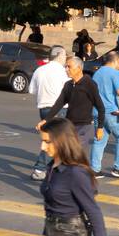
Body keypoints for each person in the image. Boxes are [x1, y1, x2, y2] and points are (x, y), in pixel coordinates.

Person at [42, 56, 106, 155]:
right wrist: (45, 120)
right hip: (69, 126)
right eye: (66, 66)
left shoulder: (89, 84)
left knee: (77, 156)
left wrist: (100, 128)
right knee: (65, 155)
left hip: (84, 127)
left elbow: (100, 107)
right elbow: (58, 104)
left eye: (69, 67)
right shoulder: (68, 85)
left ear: (79, 68)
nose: (66, 69)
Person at [88, 50, 119, 179]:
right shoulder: (116, 73)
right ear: (115, 61)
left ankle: (94, 169)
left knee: (99, 140)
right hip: (112, 111)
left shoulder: (97, 73)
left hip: (98, 111)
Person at [28, 45, 70, 181]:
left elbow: (32, 90)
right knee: (54, 140)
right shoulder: (63, 72)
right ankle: (40, 168)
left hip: (43, 108)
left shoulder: (40, 70)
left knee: (54, 139)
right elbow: (69, 91)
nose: (65, 59)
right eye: (64, 56)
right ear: (59, 55)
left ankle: (57, 167)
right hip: (59, 109)